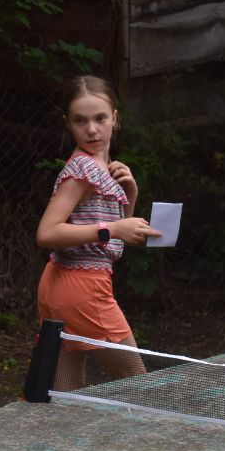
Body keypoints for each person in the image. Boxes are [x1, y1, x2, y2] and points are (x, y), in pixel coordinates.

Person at [35, 76, 161, 391]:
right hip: (82, 288)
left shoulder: (104, 168)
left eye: (100, 118)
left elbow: (116, 245)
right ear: (68, 123)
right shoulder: (84, 171)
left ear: (114, 118)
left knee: (67, 395)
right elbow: (47, 233)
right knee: (141, 387)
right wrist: (113, 228)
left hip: (62, 285)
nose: (91, 129)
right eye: (80, 121)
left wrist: (130, 194)